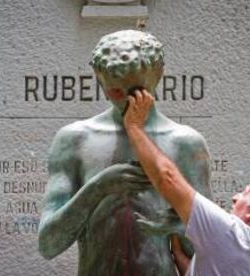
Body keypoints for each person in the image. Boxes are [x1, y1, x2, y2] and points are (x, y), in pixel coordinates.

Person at [38, 30, 212, 275]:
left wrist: (183, 224)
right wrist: (99, 187)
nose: (129, 100)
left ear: (158, 76)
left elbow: (212, 249)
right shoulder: (75, 139)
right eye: (116, 91)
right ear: (100, 81)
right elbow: (48, 244)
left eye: (138, 90)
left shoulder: (185, 143)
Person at [123, 89, 250, 276]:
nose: (235, 197)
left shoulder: (230, 232)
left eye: (245, 193)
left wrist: (134, 127)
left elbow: (167, 178)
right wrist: (178, 255)